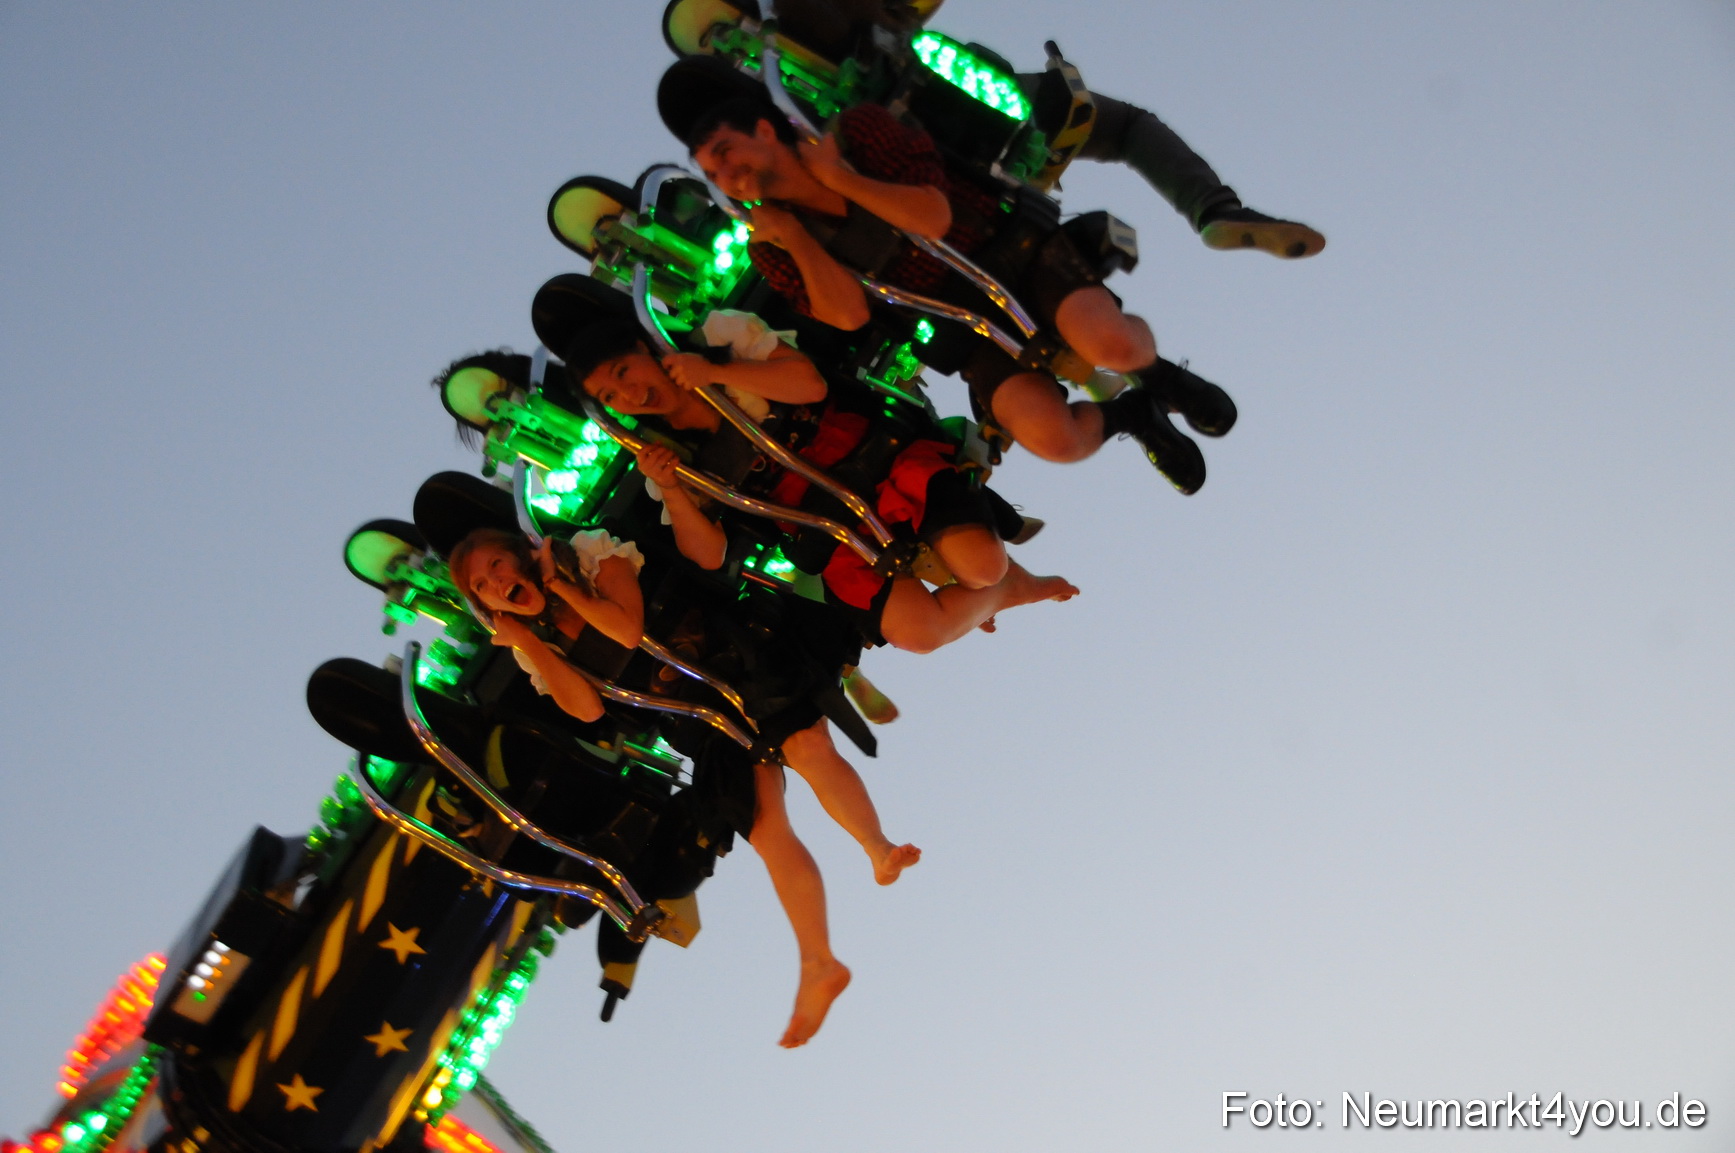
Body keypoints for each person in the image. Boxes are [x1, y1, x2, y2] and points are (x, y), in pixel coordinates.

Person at [446, 523, 918, 1046]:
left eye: (496, 565)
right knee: (764, 830)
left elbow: (626, 629)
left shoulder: (587, 555)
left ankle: (878, 848)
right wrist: (532, 643)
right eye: (481, 586)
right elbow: (586, 708)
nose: (494, 581)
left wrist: (561, 587)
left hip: (735, 661)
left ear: (523, 556)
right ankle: (819, 962)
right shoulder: (531, 645)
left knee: (806, 746)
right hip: (695, 720)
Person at [671, 83, 1236, 494]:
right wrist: (794, 233)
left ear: (765, 131)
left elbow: (932, 218)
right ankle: (1134, 416)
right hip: (954, 325)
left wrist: (840, 179)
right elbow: (846, 316)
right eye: (713, 175)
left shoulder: (857, 131)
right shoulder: (771, 245)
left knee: (1109, 344)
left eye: (726, 154)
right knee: (1054, 439)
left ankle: (1162, 376)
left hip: (1008, 254)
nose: (727, 177)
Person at [560, 307, 1079, 655]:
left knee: (980, 566)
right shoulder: (663, 455)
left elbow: (807, 384)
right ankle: (1012, 589)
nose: (628, 396)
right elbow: (710, 555)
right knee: (919, 634)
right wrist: (671, 487)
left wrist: (714, 373)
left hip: (884, 466)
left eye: (623, 373)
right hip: (826, 527)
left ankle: (995, 576)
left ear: (641, 347)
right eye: (610, 397)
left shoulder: (718, 338)